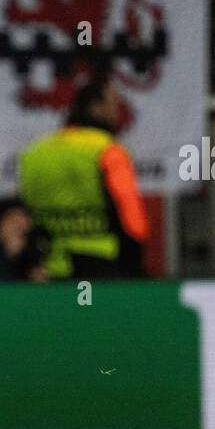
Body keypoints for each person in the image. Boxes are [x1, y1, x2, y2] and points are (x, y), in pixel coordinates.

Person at [19, 73, 149, 279]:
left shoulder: (34, 152)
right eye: (113, 105)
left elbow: (25, 213)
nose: (117, 112)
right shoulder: (108, 150)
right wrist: (135, 263)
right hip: (103, 265)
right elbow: (132, 217)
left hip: (51, 267)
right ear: (96, 108)